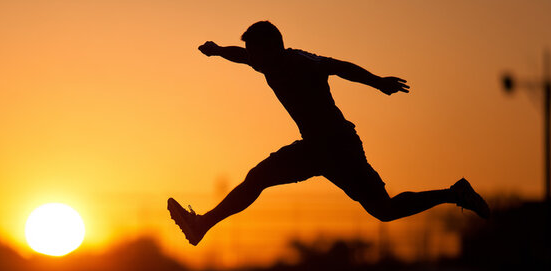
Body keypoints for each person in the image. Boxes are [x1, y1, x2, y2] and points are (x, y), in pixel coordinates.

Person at [168, 21, 489, 246]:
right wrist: (217, 50)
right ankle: (201, 226)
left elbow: (337, 66)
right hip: (316, 148)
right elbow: (240, 55)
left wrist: (377, 82)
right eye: (249, 53)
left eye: (254, 52)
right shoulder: (264, 62)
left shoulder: (299, 62)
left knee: (384, 210)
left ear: (272, 49)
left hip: (337, 145)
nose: (250, 59)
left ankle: (453, 194)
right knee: (260, 178)